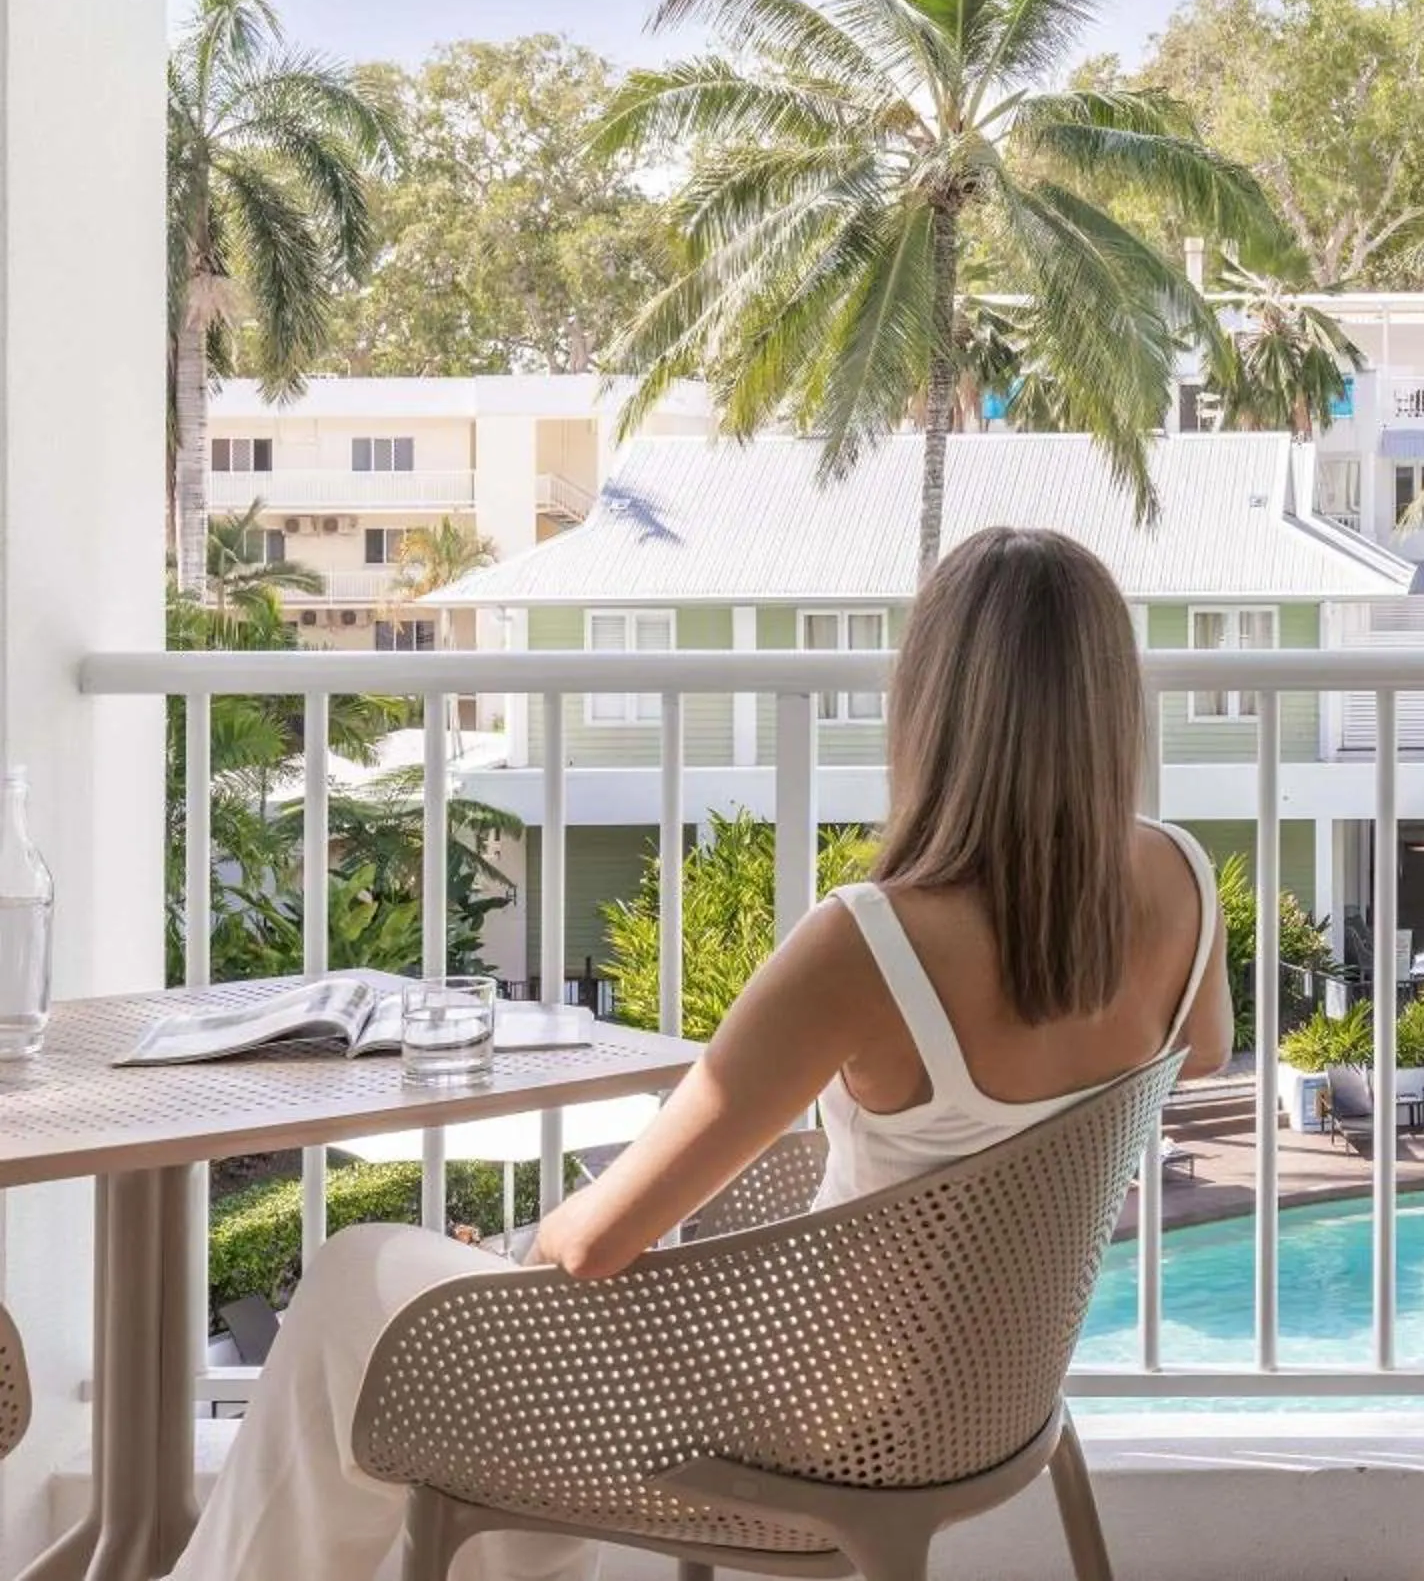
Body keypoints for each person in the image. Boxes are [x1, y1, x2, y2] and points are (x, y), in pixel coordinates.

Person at [171, 526, 1231, 1581]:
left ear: (932, 705)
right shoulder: (1181, 880)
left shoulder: (873, 941)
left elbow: (599, 1243)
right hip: (983, 1400)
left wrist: (519, 1255)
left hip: (818, 1423)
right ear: (1106, 703)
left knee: (368, 1270)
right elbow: (1205, 1053)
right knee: (518, 1347)